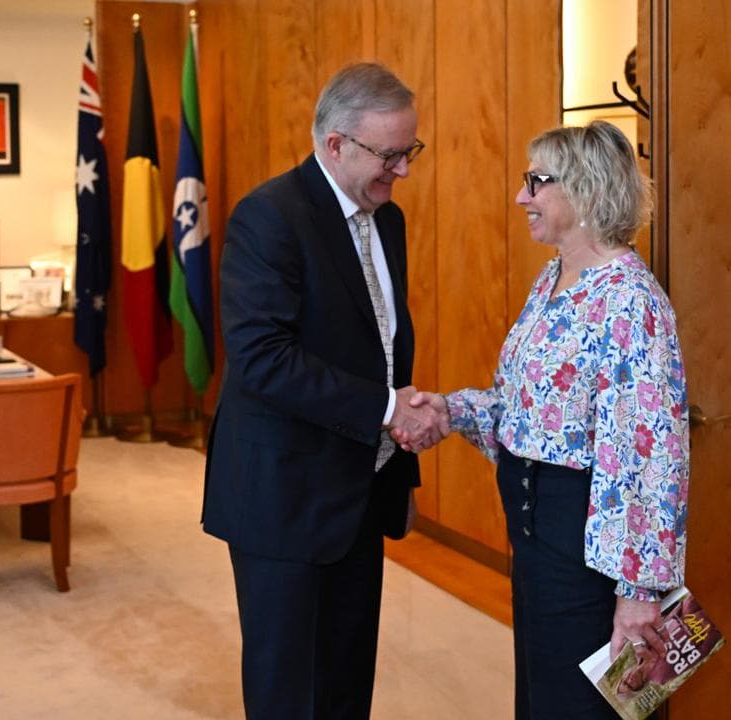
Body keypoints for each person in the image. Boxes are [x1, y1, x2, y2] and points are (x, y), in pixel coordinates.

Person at [401, 120, 691, 719]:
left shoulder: (630, 300)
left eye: (536, 181)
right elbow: (528, 410)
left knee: (581, 707)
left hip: (588, 548)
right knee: (542, 699)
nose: (521, 197)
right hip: (535, 534)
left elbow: (649, 457)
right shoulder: (554, 278)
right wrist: (451, 410)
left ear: (585, 189)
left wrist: (638, 592)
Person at [202, 62, 449, 720]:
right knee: (290, 691)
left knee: (345, 681)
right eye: (390, 154)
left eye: (411, 150)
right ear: (336, 144)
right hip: (284, 495)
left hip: (360, 489)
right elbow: (264, 360)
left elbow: (387, 351)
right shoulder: (269, 217)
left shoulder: (387, 220)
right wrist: (390, 411)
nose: (403, 170)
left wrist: (401, 475)